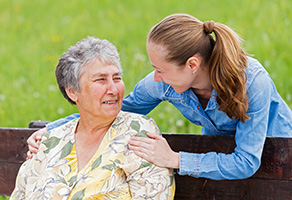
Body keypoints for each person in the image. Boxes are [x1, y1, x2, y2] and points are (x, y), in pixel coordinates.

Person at [27, 14, 292, 181]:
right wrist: (53, 129)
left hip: (278, 152)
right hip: (219, 151)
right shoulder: (164, 83)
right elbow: (113, 110)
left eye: (160, 70)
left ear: (192, 66)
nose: (155, 78)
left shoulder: (252, 81)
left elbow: (247, 162)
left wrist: (175, 159)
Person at [11, 36, 175, 200]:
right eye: (101, 79)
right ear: (72, 92)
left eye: (117, 78)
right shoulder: (50, 141)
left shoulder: (138, 132)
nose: (113, 89)